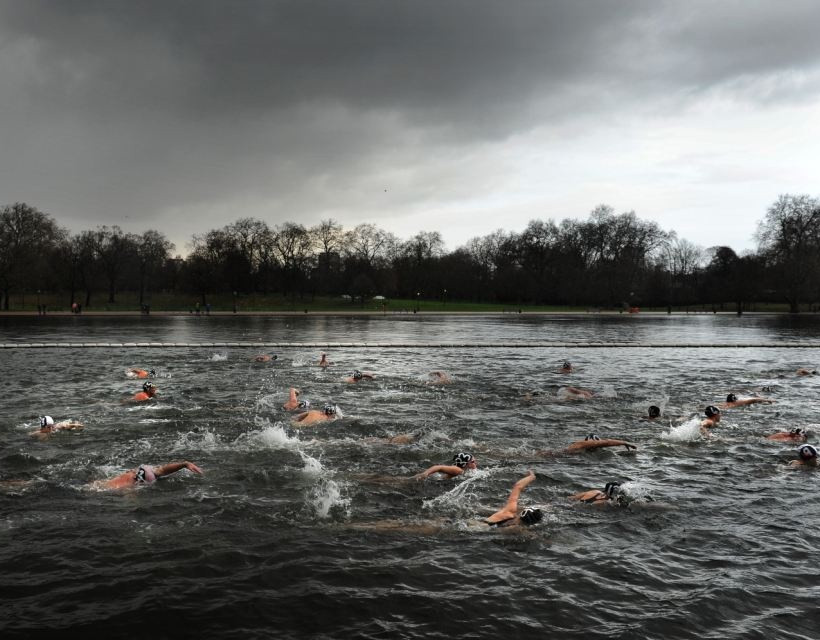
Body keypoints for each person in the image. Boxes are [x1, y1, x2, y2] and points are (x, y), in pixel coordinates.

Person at [103, 461, 203, 489]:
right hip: (141, 472)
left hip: (139, 478)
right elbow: (162, 470)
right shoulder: (108, 483)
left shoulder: (107, 486)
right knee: (160, 471)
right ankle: (184, 464)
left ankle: (184, 464)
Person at [539, 434, 637, 456]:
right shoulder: (585, 444)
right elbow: (607, 442)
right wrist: (624, 442)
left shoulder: (581, 445)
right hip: (556, 455)